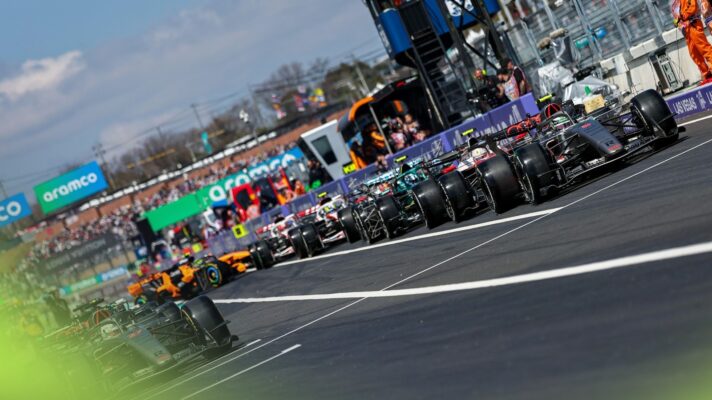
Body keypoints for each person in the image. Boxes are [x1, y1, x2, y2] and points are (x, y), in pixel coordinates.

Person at [674, 0, 712, 84]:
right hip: (686, 28)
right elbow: (677, 15)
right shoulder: (676, 3)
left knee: (704, 48)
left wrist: (682, 16)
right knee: (694, 53)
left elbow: (692, 7)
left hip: (693, 23)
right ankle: (706, 74)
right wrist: (677, 22)